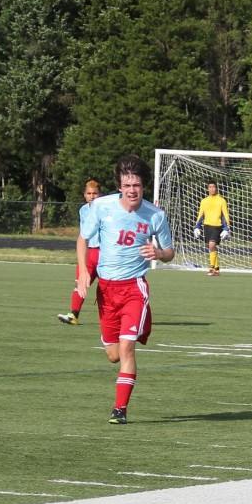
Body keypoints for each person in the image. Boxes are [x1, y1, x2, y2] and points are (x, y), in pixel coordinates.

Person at [76, 154, 174, 424]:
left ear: (144, 187)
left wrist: (158, 253)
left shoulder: (156, 215)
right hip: (106, 291)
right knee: (113, 354)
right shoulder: (101, 207)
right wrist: (84, 271)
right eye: (127, 185)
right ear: (120, 185)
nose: (132, 190)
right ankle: (129, 341)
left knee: (127, 349)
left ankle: (119, 409)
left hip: (134, 288)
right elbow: (83, 240)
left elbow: (170, 253)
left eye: (137, 186)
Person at [58, 179, 102, 325]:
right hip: (90, 252)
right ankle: (73, 315)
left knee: (108, 287)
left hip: (106, 253)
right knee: (80, 282)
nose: (92, 196)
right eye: (89, 193)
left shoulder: (106, 208)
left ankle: (113, 316)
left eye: (95, 193)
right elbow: (84, 234)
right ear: (84, 195)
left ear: (100, 194)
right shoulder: (83, 210)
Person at [193, 181, 231, 277]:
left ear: (216, 188)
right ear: (207, 188)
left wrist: (227, 228)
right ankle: (217, 269)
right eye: (210, 187)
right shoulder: (204, 201)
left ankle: (211, 268)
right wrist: (197, 227)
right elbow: (200, 215)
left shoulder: (221, 200)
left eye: (213, 187)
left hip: (217, 226)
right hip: (207, 226)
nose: (212, 189)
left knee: (211, 245)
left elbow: (225, 215)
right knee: (210, 247)